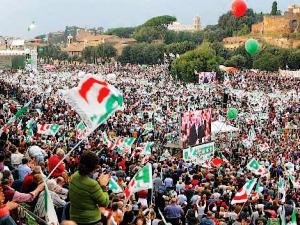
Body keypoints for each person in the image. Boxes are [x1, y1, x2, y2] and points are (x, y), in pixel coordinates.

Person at [69, 151, 110, 225]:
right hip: (90, 220)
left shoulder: (74, 175)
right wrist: (103, 186)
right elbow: (105, 203)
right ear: (93, 167)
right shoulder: (92, 184)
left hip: (74, 216)